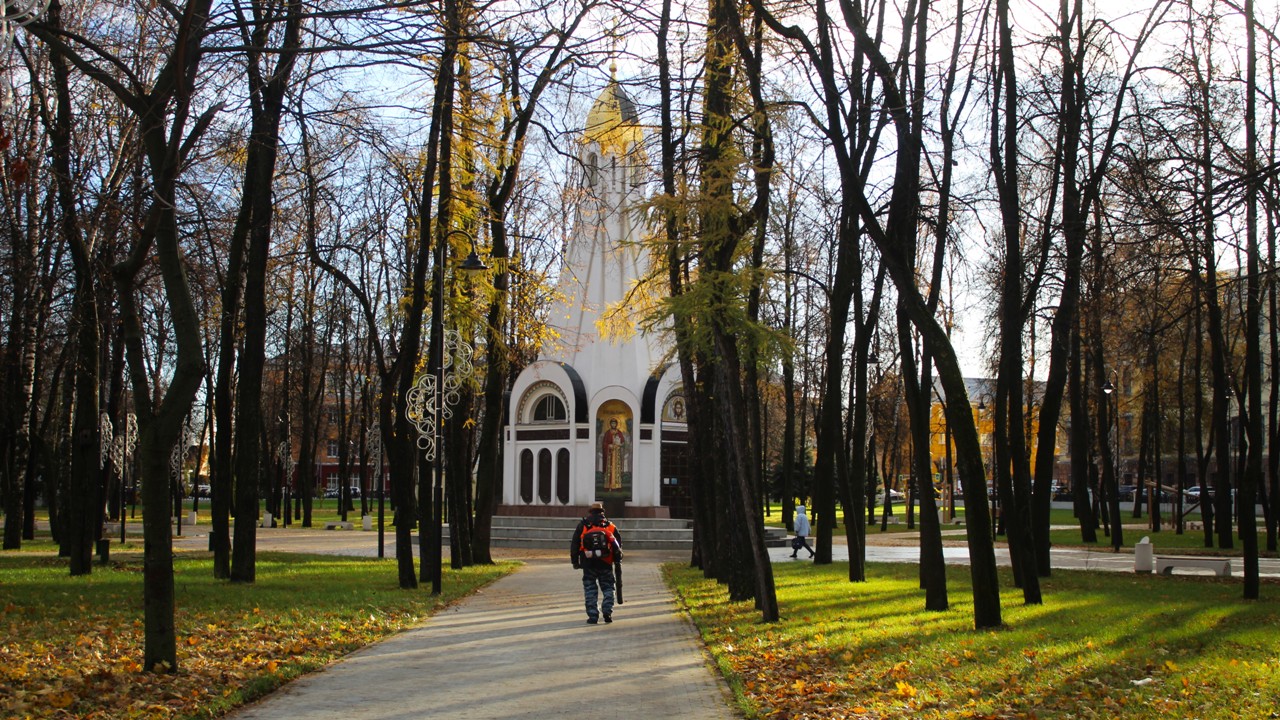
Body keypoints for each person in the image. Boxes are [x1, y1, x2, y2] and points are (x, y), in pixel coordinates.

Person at [571, 502, 623, 624]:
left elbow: (574, 545)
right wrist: (617, 560)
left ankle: (593, 616)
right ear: (602, 512)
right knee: (608, 587)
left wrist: (575, 562)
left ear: (590, 512)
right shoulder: (610, 526)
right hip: (606, 562)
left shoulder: (582, 526)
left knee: (590, 589)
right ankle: (607, 612)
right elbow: (618, 546)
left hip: (588, 563)